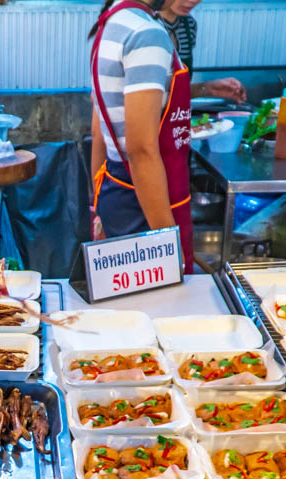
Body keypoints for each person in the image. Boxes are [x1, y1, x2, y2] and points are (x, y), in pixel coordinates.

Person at [89, 0, 194, 274]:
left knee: (132, 310)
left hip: (118, 190)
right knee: (162, 309)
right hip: (145, 200)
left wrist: (98, 206)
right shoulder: (147, 33)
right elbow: (141, 150)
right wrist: (168, 245)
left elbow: (97, 128)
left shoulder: (113, 21)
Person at [155, 0, 245, 102]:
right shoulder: (145, 26)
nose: (193, 1)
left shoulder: (188, 25)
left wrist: (208, 88)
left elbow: (176, 92)